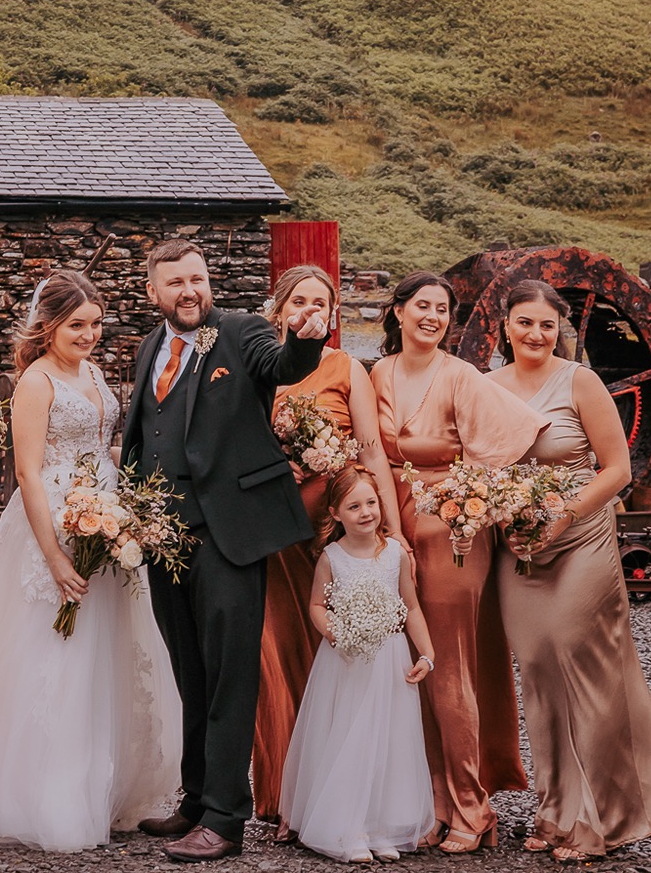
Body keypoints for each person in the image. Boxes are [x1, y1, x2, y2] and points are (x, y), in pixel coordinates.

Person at [0, 271, 182, 850]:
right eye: (76, 326)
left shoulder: (90, 372)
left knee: (112, 645)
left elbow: (105, 441)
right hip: (53, 519)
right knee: (54, 648)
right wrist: (56, 556)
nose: (89, 335)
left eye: (95, 325)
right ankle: (47, 793)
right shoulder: (34, 382)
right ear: (48, 326)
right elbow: (28, 472)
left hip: (105, 514)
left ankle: (112, 786)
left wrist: (128, 506)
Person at [120, 238, 328, 862]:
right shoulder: (148, 347)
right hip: (164, 537)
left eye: (198, 279)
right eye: (176, 283)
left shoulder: (240, 332)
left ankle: (225, 819)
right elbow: (144, 433)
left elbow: (283, 366)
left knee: (230, 679)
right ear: (152, 292)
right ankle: (195, 798)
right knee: (191, 672)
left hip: (228, 535)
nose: (190, 291)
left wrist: (305, 338)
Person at [487, 281, 651, 862]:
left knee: (584, 667)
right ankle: (555, 812)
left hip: (580, 538)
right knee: (540, 674)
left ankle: (601, 819)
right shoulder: (486, 387)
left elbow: (618, 468)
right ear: (505, 327)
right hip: (518, 547)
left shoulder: (581, 381)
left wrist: (562, 513)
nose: (535, 334)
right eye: (525, 323)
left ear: (561, 331)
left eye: (547, 326)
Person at [370, 271, 544, 855]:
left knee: (447, 665)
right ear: (397, 312)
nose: (433, 316)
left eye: (443, 309)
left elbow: (512, 436)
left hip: (451, 525)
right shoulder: (379, 373)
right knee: (411, 665)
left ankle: (474, 806)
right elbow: (373, 446)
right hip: (392, 523)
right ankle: (436, 803)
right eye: (422, 305)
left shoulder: (461, 375)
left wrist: (440, 458)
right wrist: (421, 453)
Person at [253, 264, 403, 829]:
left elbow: (369, 448)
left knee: (334, 656)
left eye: (322, 301)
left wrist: (390, 526)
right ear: (280, 308)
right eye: (300, 301)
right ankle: (279, 796)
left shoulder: (345, 366)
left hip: (331, 530)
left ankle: (334, 793)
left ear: (334, 312)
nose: (311, 309)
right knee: (275, 655)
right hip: (272, 530)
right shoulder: (261, 364)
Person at [279, 467, 436, 862]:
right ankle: (347, 827)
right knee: (349, 737)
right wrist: (336, 632)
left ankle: (380, 826)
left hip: (389, 661)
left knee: (387, 740)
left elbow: (412, 607)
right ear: (335, 513)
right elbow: (316, 605)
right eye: (354, 506)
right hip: (347, 663)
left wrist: (427, 654)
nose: (366, 512)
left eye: (371, 503)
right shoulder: (331, 558)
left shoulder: (396, 555)